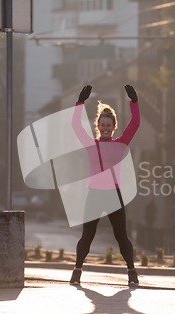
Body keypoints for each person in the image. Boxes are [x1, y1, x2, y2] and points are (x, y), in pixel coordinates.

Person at [69, 84, 140, 286]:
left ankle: (132, 272)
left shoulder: (121, 143)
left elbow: (135, 123)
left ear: (114, 127)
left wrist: (134, 102)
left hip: (114, 196)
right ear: (98, 127)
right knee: (87, 236)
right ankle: (77, 270)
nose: (106, 128)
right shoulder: (91, 145)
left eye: (109, 125)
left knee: (121, 237)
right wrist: (80, 102)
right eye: (103, 125)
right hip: (94, 195)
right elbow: (76, 126)